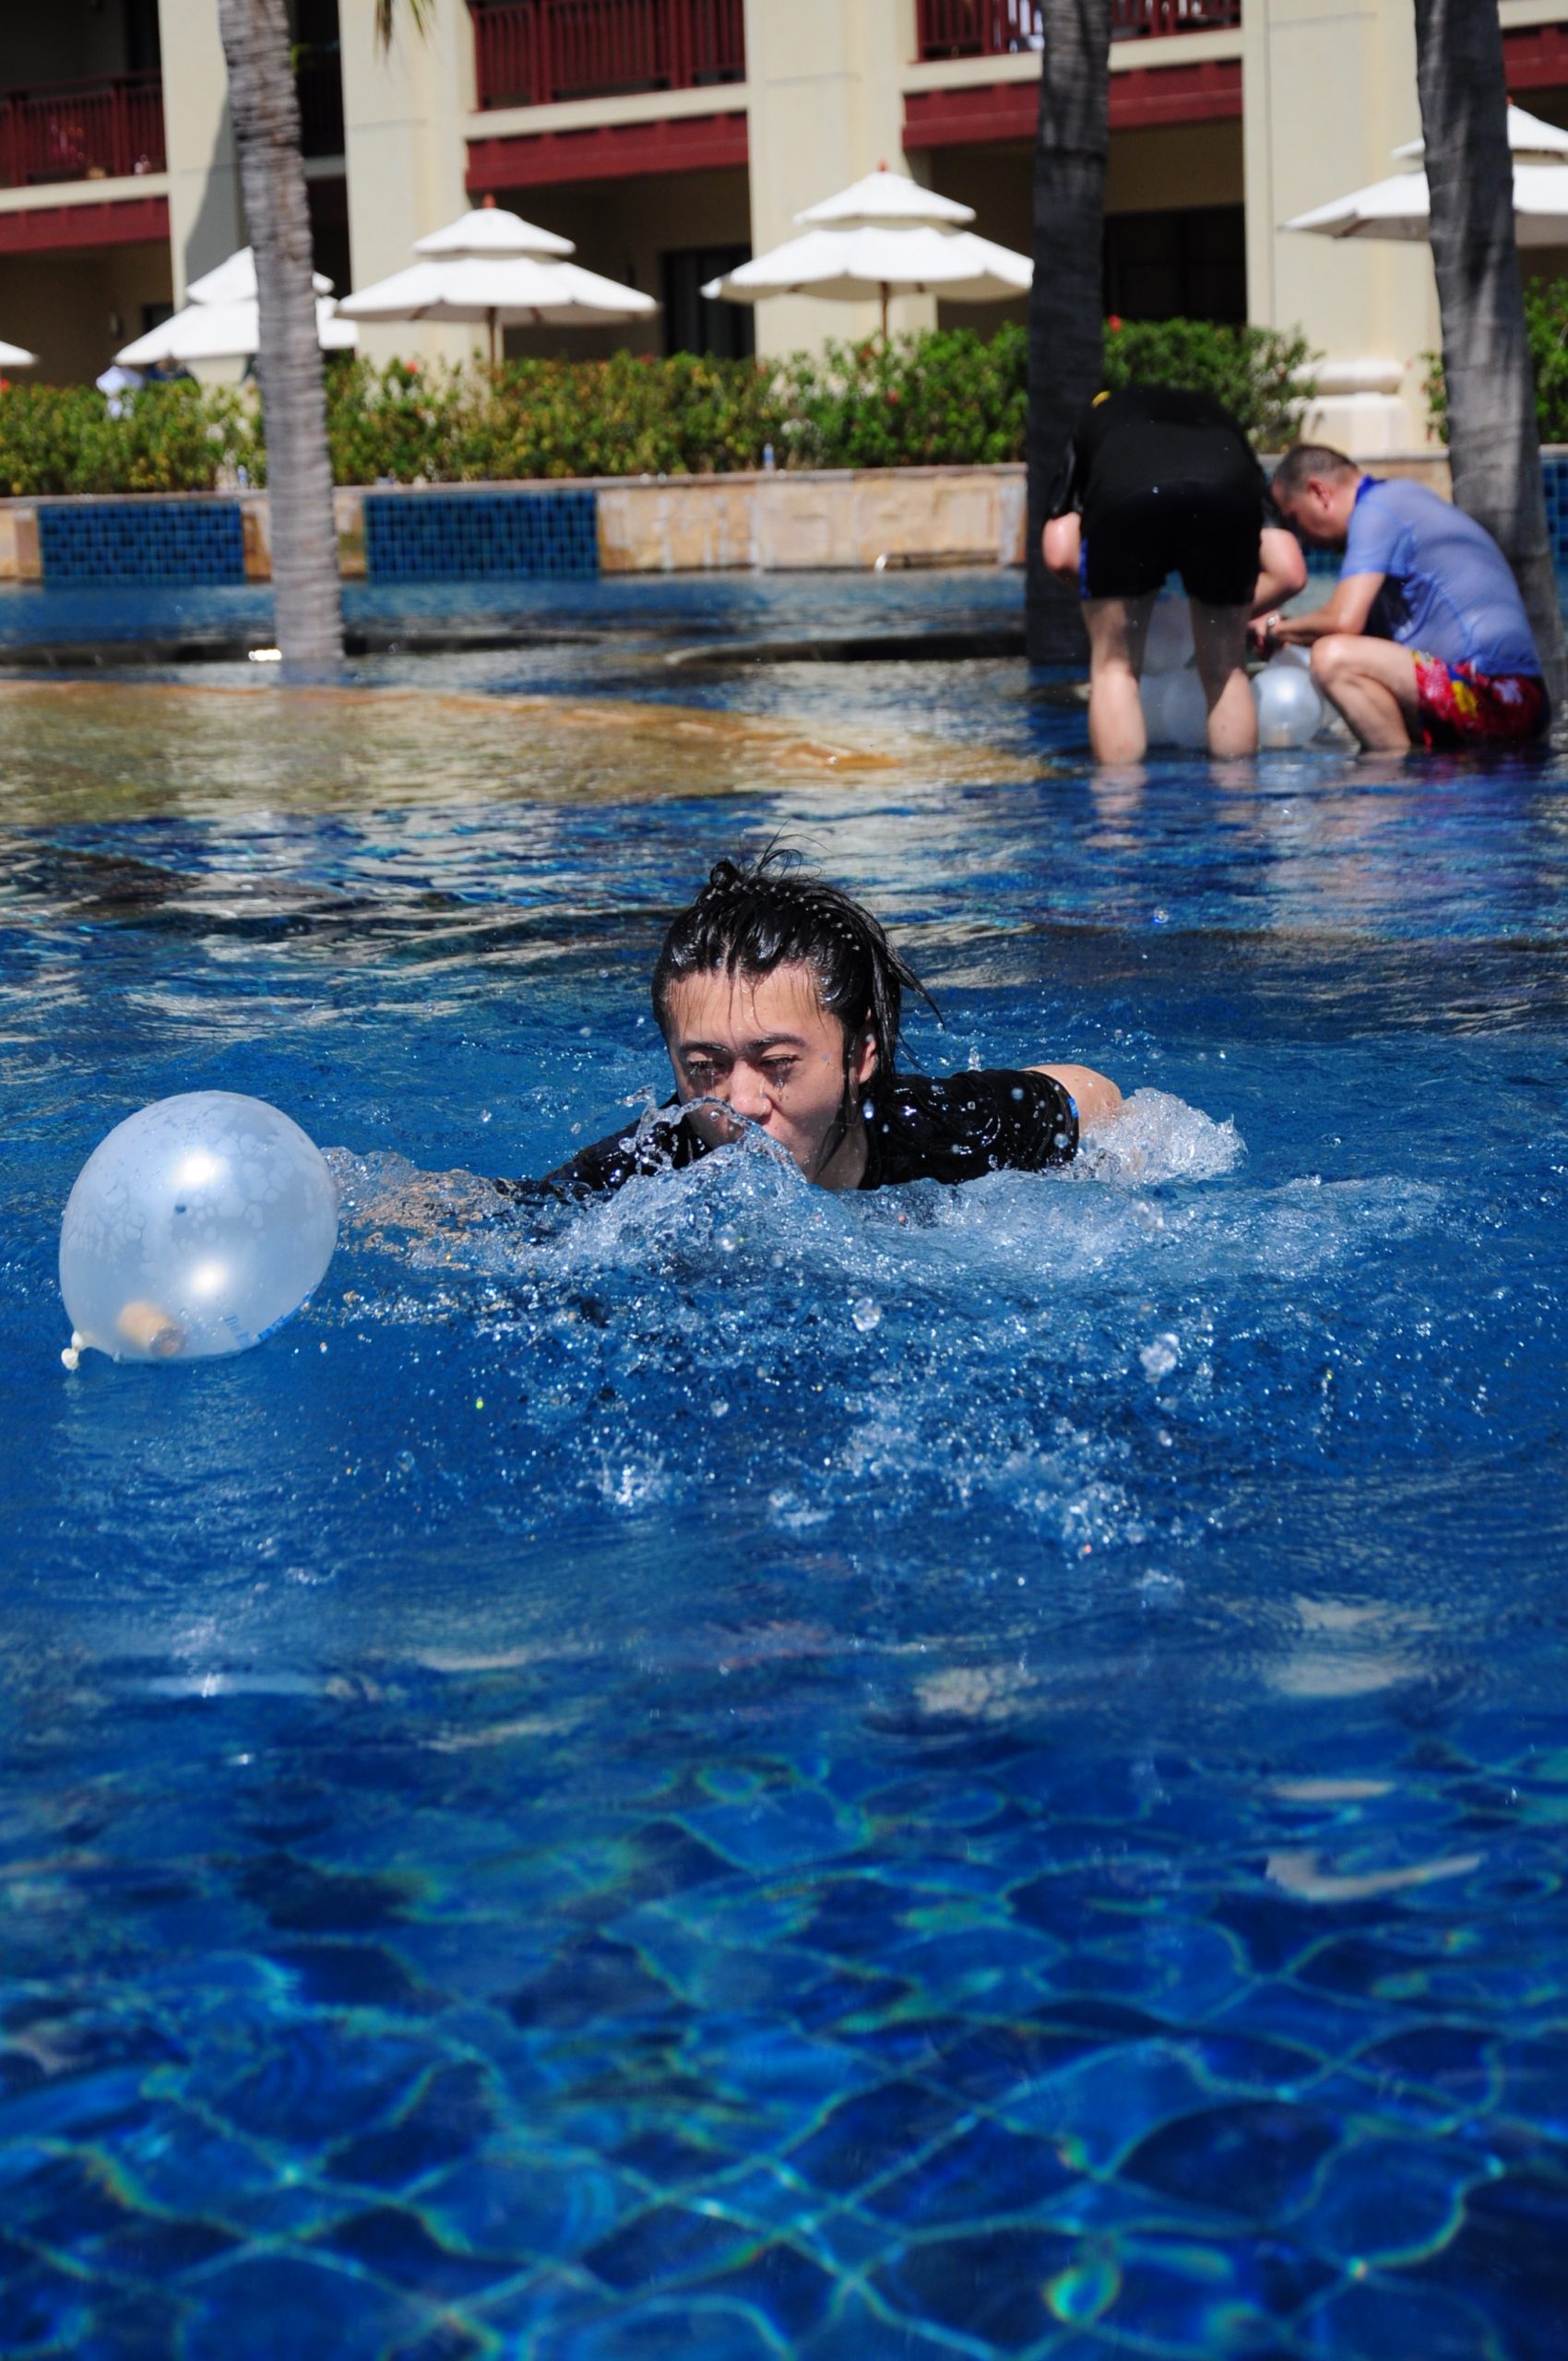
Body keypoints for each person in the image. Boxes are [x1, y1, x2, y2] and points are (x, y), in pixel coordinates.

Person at [505, 853, 1122, 1204]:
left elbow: (1093, 1093)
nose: (741, 1103)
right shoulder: (639, 1178)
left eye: (777, 1063)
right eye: (704, 1067)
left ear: (861, 1055)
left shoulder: (928, 1129)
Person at [1042, 384, 1308, 764]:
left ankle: (1120, 800)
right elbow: (1290, 571)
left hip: (1129, 495)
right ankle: (1237, 796)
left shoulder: (1096, 420)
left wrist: (1117, 603)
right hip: (1224, 493)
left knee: (1115, 670)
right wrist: (1215, 615)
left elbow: (1058, 553)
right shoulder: (1220, 419)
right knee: (1226, 670)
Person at [1262, 445, 1550, 753]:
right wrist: (1289, 634)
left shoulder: (1378, 509)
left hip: (1494, 698)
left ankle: (1393, 775)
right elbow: (1360, 638)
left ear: (1319, 492)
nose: (1302, 540)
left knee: (1333, 658)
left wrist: (1275, 628)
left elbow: (1343, 622)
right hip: (1508, 702)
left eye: (1294, 521)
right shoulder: (1394, 504)